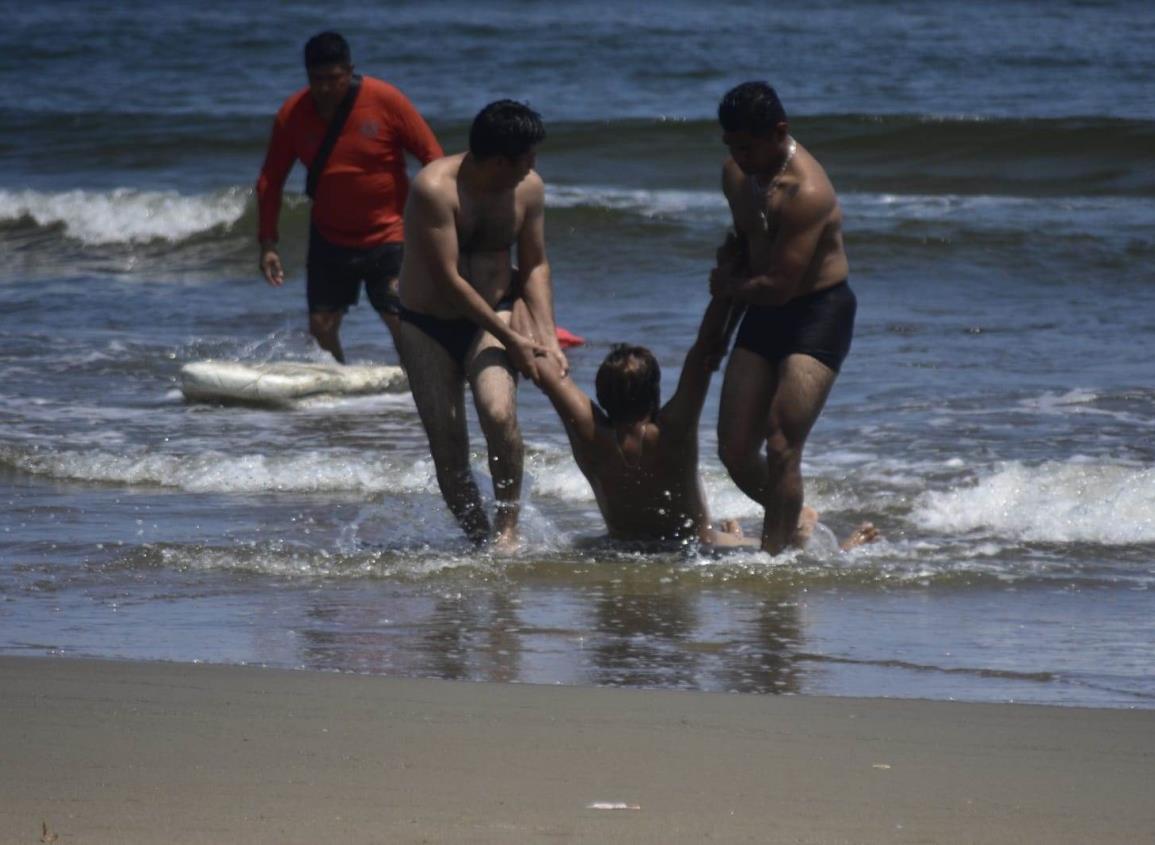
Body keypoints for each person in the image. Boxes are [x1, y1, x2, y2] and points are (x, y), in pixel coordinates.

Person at [532, 297, 878, 552]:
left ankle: (744, 534)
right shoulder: (672, 432)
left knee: (733, 539)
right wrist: (728, 294)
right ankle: (843, 550)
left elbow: (545, 372)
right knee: (774, 552)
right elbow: (703, 355)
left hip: (621, 547)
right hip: (697, 548)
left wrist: (519, 306)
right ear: (655, 393)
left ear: (601, 395)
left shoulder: (589, 434)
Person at [396, 100, 566, 551]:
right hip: (425, 324)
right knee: (448, 445)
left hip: (493, 315)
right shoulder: (435, 188)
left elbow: (534, 265)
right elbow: (448, 281)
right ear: (497, 161)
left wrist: (546, 337)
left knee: (497, 411)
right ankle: (479, 543)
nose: (533, 166)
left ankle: (507, 531)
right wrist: (515, 339)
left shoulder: (527, 189)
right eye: (527, 158)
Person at [709, 81, 858, 555]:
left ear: (780, 131)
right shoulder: (736, 175)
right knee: (733, 449)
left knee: (780, 444)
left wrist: (727, 287)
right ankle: (796, 515)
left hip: (817, 312)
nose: (740, 158)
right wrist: (719, 321)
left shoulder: (807, 192)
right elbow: (747, 246)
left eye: (748, 147)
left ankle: (775, 564)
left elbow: (780, 285)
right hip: (762, 310)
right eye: (732, 146)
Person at [256, 31, 443, 363]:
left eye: (334, 78)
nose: (326, 88)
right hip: (330, 237)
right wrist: (268, 244)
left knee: (402, 321)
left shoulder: (385, 100)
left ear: (350, 70)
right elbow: (270, 181)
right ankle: (343, 405)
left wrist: (442, 225)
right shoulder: (293, 114)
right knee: (322, 326)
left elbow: (433, 159)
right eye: (317, 79)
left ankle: (417, 395)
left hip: (390, 236)